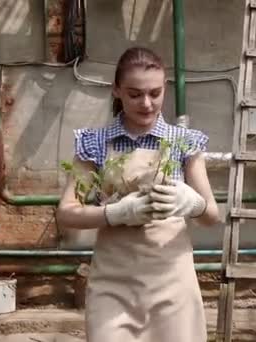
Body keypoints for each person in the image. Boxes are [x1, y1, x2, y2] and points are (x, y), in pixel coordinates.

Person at [56, 46, 220, 342]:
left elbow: (211, 215)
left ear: (165, 89)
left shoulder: (184, 143)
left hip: (172, 281)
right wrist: (114, 213)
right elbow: (66, 212)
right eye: (134, 94)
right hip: (113, 285)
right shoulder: (94, 143)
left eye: (155, 93)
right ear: (117, 91)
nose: (146, 103)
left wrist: (193, 204)